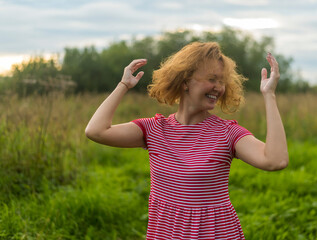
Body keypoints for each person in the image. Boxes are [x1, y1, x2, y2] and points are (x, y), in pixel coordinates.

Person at [85, 42, 289, 239]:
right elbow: (96, 131)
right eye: (212, 79)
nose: (218, 87)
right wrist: (123, 85)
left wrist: (269, 95)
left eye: (222, 81)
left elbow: (275, 160)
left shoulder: (227, 133)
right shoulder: (154, 129)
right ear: (185, 81)